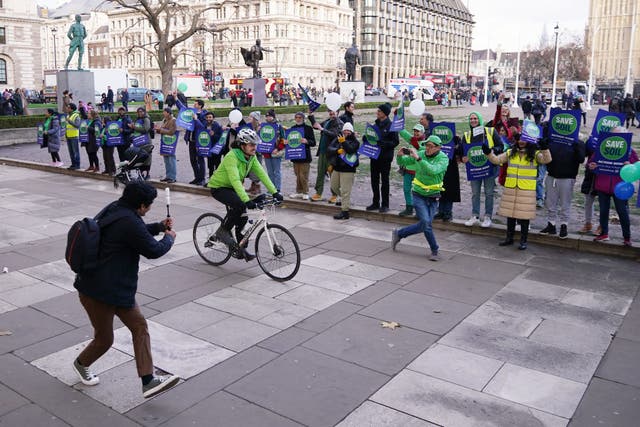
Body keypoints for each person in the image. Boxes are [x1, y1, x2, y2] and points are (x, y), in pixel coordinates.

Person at [72, 181, 179, 398]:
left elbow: (134, 232)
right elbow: (153, 249)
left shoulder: (117, 208)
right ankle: (81, 363)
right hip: (98, 292)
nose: (148, 209)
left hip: (115, 287)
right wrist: (168, 237)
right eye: (148, 205)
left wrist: (158, 226)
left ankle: (148, 380)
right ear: (140, 205)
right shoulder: (130, 221)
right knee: (104, 339)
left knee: (139, 326)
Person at [207, 128, 283, 260]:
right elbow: (235, 180)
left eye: (255, 145)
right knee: (240, 205)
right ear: (242, 145)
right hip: (219, 187)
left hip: (232, 187)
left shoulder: (251, 157)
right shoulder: (232, 156)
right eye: (251, 145)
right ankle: (222, 232)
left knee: (242, 217)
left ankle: (239, 247)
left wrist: (275, 192)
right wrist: (246, 200)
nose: (254, 147)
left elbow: (262, 175)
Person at [486, 129, 552, 250]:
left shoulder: (535, 154)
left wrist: (544, 148)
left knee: (524, 217)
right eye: (519, 139)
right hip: (511, 189)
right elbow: (497, 160)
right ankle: (509, 238)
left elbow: (547, 160)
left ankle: (523, 240)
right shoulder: (511, 152)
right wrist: (488, 153)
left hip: (526, 190)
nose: (521, 142)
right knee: (510, 216)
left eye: (524, 140)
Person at [391, 135, 449, 261]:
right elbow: (403, 163)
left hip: (433, 196)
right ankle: (435, 250)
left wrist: (418, 159)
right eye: (427, 145)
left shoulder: (443, 158)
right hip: (418, 194)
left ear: (438, 148)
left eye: (431, 146)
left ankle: (399, 234)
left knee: (425, 224)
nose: (428, 148)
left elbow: (433, 171)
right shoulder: (421, 153)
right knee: (426, 223)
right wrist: (400, 156)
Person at [589, 126, 638, 246]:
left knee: (622, 212)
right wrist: (592, 165)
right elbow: (591, 162)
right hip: (603, 185)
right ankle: (604, 234)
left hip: (621, 188)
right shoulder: (602, 147)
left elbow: (636, 167)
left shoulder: (630, 151)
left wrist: (629, 165)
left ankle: (627, 238)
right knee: (603, 211)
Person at [539, 128, 585, 238]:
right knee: (550, 202)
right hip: (552, 174)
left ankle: (564, 225)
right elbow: (546, 155)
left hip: (567, 177)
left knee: (565, 203)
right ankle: (551, 224)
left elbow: (581, 159)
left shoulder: (578, 142)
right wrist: (544, 144)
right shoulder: (554, 139)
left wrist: (577, 146)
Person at [462, 112, 503, 228]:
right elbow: (463, 152)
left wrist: (491, 150)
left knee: (489, 193)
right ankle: (475, 215)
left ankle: (487, 216)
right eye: (471, 119)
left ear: (480, 119)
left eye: (475, 118)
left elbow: (501, 146)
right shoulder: (466, 135)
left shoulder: (490, 131)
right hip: (474, 169)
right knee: (475, 193)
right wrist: (463, 158)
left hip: (489, 168)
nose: (473, 121)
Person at [367, 103, 399, 213]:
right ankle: (375, 202)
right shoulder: (375, 125)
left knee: (384, 181)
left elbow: (395, 141)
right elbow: (370, 137)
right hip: (374, 156)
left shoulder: (391, 126)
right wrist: (366, 138)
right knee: (374, 180)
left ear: (384, 114)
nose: (377, 113)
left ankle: (385, 204)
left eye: (379, 111)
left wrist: (383, 144)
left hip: (385, 157)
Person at [310, 108, 343, 202]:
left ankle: (335, 195)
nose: (331, 113)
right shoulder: (328, 121)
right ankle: (318, 193)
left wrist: (322, 129)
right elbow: (316, 126)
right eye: (330, 111)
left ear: (337, 112)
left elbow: (335, 134)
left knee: (332, 174)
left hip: (331, 153)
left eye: (333, 111)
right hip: (322, 152)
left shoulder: (339, 123)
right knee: (320, 173)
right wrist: (311, 116)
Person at [328, 122, 360, 219]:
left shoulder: (355, 142)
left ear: (351, 132)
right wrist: (337, 151)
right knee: (333, 186)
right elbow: (329, 149)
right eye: (345, 130)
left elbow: (350, 150)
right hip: (337, 168)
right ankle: (345, 200)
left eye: (348, 130)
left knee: (346, 191)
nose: (346, 132)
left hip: (348, 169)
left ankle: (345, 212)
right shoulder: (337, 139)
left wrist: (343, 142)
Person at [397, 123, 426, 217]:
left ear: (422, 132)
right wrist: (398, 118)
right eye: (414, 131)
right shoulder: (412, 140)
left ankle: (419, 211)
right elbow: (402, 132)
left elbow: (423, 150)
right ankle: (409, 208)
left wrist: (416, 146)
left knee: (418, 192)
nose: (416, 133)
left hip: (418, 172)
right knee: (406, 190)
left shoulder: (426, 143)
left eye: (418, 131)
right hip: (408, 170)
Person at [288, 111, 316, 200]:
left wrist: (306, 141)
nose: (298, 119)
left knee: (303, 175)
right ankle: (299, 191)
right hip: (295, 155)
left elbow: (313, 142)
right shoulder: (292, 129)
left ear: (303, 119)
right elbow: (290, 141)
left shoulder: (308, 128)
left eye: (300, 117)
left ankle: (305, 192)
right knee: (297, 175)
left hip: (305, 156)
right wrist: (286, 142)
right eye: (296, 117)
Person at [262, 109, 285, 192]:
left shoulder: (279, 126)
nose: (268, 118)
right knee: (270, 172)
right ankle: (271, 189)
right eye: (267, 116)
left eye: (270, 116)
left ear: (273, 117)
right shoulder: (263, 126)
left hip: (276, 152)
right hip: (267, 152)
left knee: (277, 172)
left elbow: (283, 139)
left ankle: (278, 189)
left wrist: (278, 148)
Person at [155, 107, 177, 183]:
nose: (163, 113)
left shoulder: (173, 120)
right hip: (165, 143)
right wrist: (157, 129)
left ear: (168, 113)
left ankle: (173, 177)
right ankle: (168, 176)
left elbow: (172, 132)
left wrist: (160, 130)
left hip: (170, 143)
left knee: (171, 160)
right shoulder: (165, 120)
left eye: (164, 112)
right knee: (166, 160)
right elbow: (162, 130)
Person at [203, 111, 224, 178]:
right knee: (210, 166)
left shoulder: (217, 126)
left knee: (217, 166)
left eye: (210, 117)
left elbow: (221, 138)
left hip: (216, 150)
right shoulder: (205, 125)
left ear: (213, 118)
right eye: (207, 117)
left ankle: (218, 181)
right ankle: (211, 180)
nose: (208, 119)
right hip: (209, 149)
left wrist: (214, 135)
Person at [65, 103, 82, 170]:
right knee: (71, 152)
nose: (67, 108)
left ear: (71, 109)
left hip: (74, 136)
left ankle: (77, 165)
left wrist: (70, 121)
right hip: (68, 136)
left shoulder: (76, 115)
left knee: (75, 151)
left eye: (68, 107)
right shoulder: (67, 116)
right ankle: (73, 164)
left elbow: (77, 125)